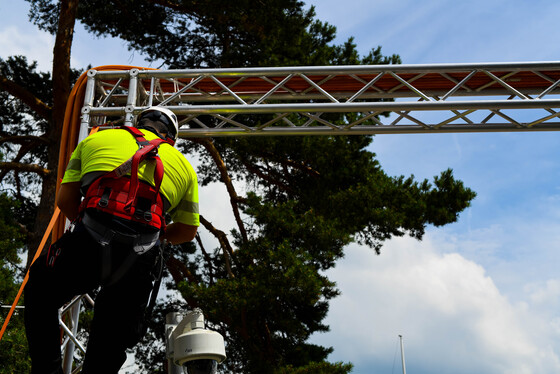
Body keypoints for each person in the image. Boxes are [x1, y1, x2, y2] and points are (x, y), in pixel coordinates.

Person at [24, 107, 199, 374]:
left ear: (138, 123)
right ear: (170, 139)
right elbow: (187, 231)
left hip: (89, 237)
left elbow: (65, 201)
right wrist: (153, 235)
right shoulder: (185, 168)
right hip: (138, 257)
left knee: (42, 289)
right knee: (113, 334)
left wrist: (89, 227)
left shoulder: (95, 140)